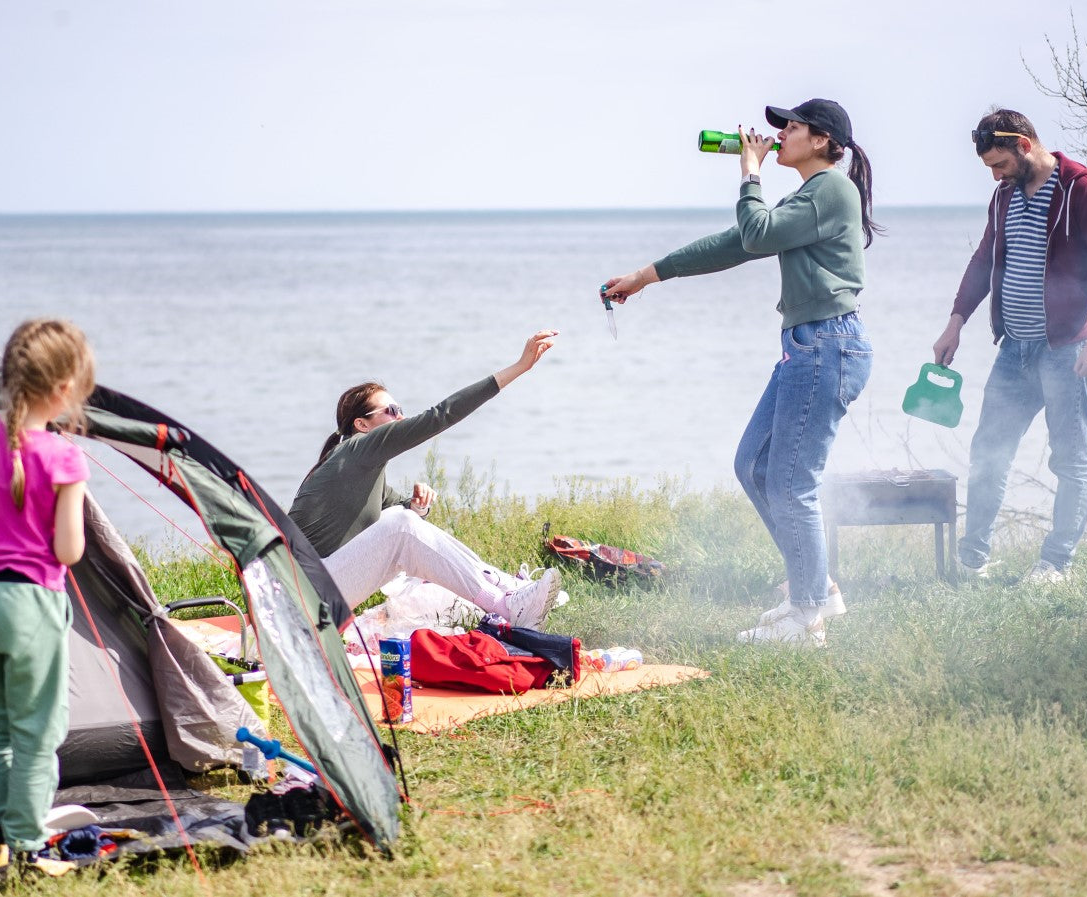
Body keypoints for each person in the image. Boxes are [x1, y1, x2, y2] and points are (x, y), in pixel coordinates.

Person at [601, 99, 879, 645]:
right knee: (753, 465)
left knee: (792, 483)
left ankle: (807, 616)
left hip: (827, 345)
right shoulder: (808, 197)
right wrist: (645, 276)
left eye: (791, 128)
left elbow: (752, 232)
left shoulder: (831, 190)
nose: (778, 136)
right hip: (806, 347)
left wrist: (749, 172)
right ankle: (816, 588)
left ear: (822, 140)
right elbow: (736, 244)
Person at [932, 109, 1087, 583]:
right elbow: (983, 261)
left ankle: (1054, 563)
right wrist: (955, 322)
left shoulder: (1081, 190)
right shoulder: (1003, 197)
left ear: (1023, 144)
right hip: (1014, 351)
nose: (996, 176)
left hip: (1066, 350)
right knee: (988, 453)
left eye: (1000, 164)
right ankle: (973, 560)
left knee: (1069, 458)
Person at [289, 331, 563, 630]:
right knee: (401, 526)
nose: (402, 417)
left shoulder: (361, 469)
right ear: (362, 425)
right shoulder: (355, 450)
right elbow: (439, 416)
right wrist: (519, 367)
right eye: (391, 411)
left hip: (314, 592)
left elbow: (400, 510)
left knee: (403, 518)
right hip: (298, 598)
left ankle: (508, 589)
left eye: (401, 409)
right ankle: (507, 606)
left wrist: (417, 507)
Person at [0, 318, 96, 876]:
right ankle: (31, 850)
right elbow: (69, 549)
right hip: (28, 604)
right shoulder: (63, 457)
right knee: (38, 736)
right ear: (64, 390)